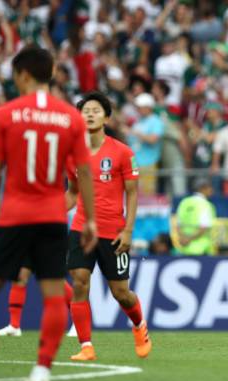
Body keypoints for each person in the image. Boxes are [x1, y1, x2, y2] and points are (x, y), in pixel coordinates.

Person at [0, 46, 97, 381]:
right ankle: (41, 373)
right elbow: (84, 173)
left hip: (13, 216)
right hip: (52, 217)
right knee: (55, 293)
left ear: (24, 74)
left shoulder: (6, 114)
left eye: (15, 75)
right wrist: (89, 220)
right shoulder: (70, 118)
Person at [66, 91, 151, 361]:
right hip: (81, 228)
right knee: (80, 283)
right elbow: (71, 192)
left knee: (121, 293)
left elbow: (133, 193)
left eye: (95, 110)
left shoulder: (123, 152)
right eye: (85, 110)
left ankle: (139, 326)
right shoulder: (71, 154)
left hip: (113, 232)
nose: (89, 114)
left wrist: (128, 231)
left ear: (106, 117)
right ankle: (86, 346)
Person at [174, 177, 217, 255]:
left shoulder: (184, 202)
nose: (212, 190)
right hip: (202, 250)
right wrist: (189, 239)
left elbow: (178, 225)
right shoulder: (206, 205)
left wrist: (184, 239)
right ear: (203, 188)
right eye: (210, 187)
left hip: (184, 249)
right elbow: (204, 228)